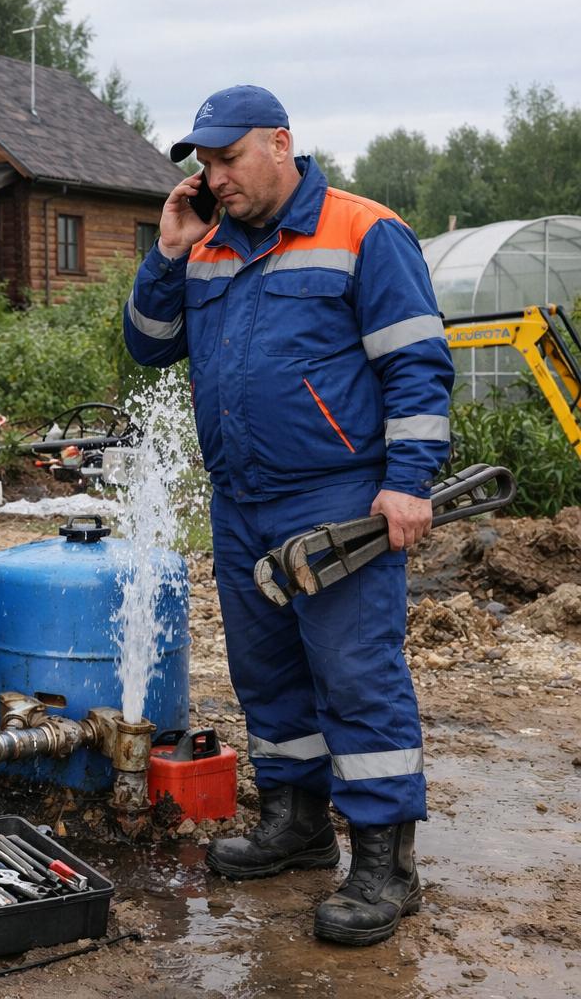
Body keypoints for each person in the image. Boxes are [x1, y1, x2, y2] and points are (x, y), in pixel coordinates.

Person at [123, 86, 454, 946]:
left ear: (280, 143)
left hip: (339, 495)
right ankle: (298, 823)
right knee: (266, 673)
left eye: (228, 158)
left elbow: (417, 365)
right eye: (203, 163)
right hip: (241, 500)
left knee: (356, 677)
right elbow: (147, 345)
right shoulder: (206, 244)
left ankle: (385, 864)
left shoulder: (363, 230)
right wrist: (167, 253)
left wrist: (409, 481)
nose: (215, 177)